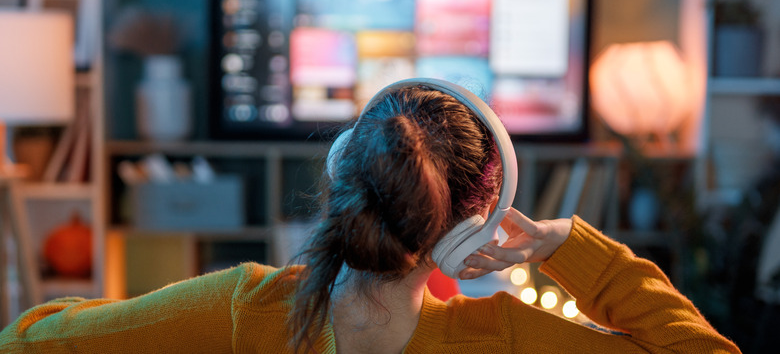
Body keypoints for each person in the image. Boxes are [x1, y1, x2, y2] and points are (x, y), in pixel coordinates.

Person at [0, 84, 740, 353]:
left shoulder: (242, 312)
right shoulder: (508, 337)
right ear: (469, 231)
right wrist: (560, 245)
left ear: (342, 180)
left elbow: (27, 342)